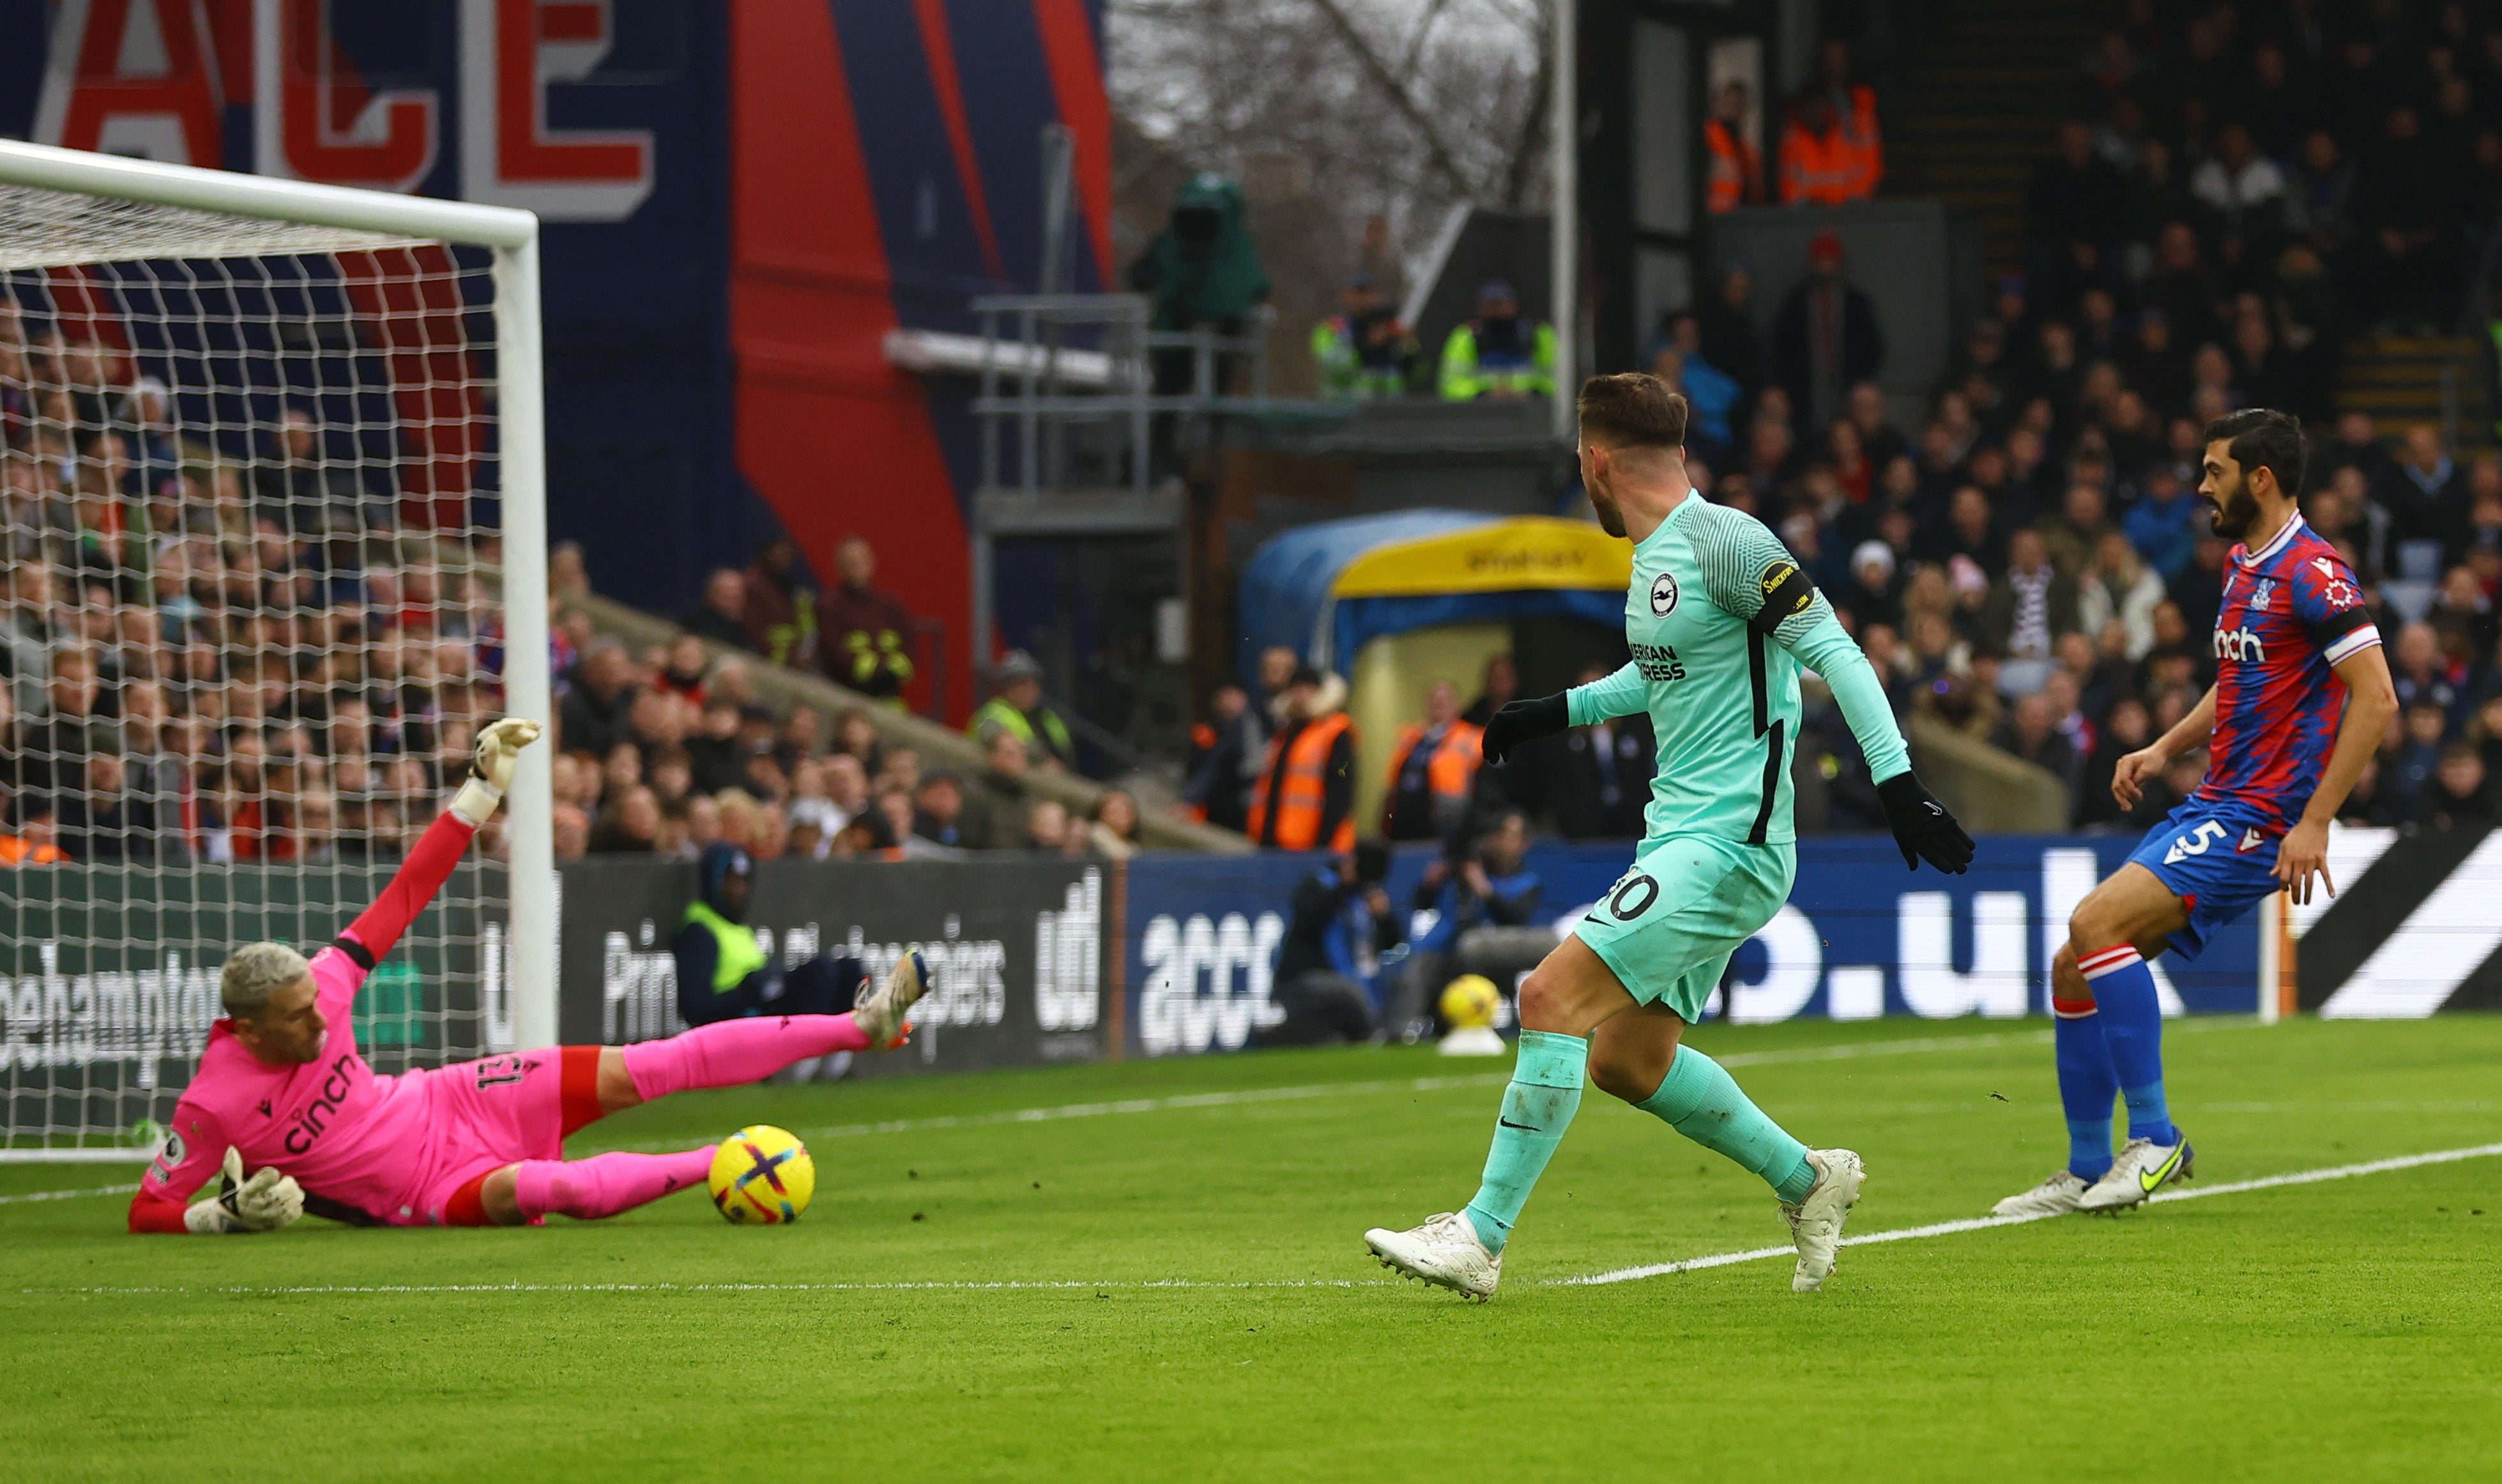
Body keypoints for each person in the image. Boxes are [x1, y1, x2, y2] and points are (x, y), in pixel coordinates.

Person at [1364, 372, 1972, 1300]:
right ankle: (1809, 1180)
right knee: (1626, 1060)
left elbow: (1836, 652)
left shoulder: (1727, 542)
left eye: (1579, 460)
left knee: (1548, 995)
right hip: (1681, 839)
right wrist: (1549, 713)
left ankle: (1479, 1238)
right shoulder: (1656, 558)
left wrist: (1895, 784)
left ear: (1596, 460)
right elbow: (1661, 675)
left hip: (1730, 842)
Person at [126, 718, 936, 1234]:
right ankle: (726, 1160)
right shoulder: (213, 1099)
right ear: (250, 1026)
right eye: (299, 1019)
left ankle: (859, 1025)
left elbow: (407, 891)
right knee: (550, 1189)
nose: (321, 1021)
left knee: (652, 1061)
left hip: (451, 1094)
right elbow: (148, 1208)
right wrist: (216, 1217)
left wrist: (480, 792)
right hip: (429, 1188)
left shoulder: (326, 982)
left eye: (317, 1005)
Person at [1992, 410, 2396, 1220]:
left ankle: (2155, 1136)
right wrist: (2162, 747)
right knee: (2072, 962)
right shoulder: (2241, 565)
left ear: (2260, 478)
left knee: (2094, 922)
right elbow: (2238, 682)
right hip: (2213, 796)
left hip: (2261, 813)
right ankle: (2082, 1169)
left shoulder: (2315, 573)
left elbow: (2376, 695)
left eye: (2213, 470)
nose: (2199, 484)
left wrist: (2314, 819)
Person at [671, 841, 864, 1035]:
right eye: (731, 882)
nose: (739, 891)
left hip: (760, 1014)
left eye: (744, 882)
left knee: (849, 969)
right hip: (737, 1026)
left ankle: (837, 1050)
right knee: (820, 971)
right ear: (712, 882)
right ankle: (807, 1052)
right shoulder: (699, 931)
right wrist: (748, 992)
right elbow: (695, 1009)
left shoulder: (735, 926)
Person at [1261, 840, 1400, 1048]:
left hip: (1355, 983)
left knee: (1387, 985)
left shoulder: (1366, 897)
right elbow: (1308, 918)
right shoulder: (1320, 882)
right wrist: (1344, 886)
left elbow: (1392, 944)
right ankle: (1374, 1034)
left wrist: (1384, 917)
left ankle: (1384, 1030)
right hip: (1304, 978)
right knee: (1349, 992)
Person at [1773, 231, 1884, 437]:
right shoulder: (1796, 304)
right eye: (1821, 260)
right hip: (1805, 394)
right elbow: (1781, 349)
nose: (1825, 266)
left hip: (1847, 389)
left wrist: (1860, 381)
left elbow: (1873, 347)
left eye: (1830, 260)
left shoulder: (1856, 304)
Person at [1246, 666, 1357, 854]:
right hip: (1277, 841)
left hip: (1315, 844)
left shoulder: (1336, 732)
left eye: (1308, 689)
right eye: (1296, 689)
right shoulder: (1285, 732)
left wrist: (1324, 841)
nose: (1301, 695)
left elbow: (1341, 788)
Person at [1380, 681, 1481, 842]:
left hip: (1448, 822)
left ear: (1456, 706)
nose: (1438, 705)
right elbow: (1394, 783)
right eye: (1434, 701)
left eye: (1444, 701)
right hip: (1406, 821)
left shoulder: (1472, 738)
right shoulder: (1411, 736)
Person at [1438, 281, 1555, 402]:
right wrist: (1485, 395)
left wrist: (1533, 394)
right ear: (1480, 308)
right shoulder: (1466, 337)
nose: (1497, 311)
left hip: (1534, 412)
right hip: (1481, 414)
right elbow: (1451, 386)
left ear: (1515, 306)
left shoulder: (1538, 334)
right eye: (1491, 305)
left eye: (1502, 304)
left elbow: (1560, 381)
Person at [1309, 273, 1417, 400]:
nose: (1364, 299)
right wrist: (1366, 345)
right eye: (1359, 293)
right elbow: (1333, 368)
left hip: (1387, 410)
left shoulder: (1390, 327)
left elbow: (1416, 377)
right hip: (1343, 408)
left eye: (1369, 293)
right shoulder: (1332, 329)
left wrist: (1409, 349)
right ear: (1347, 296)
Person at [968, 649, 1076, 772]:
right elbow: (996, 740)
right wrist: (1039, 760)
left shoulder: (1049, 718)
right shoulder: (994, 712)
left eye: (1033, 684)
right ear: (1007, 687)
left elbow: (1067, 754)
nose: (1029, 690)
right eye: (1022, 683)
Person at [1704, 80, 1762, 212]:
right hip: (1713, 214)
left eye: (1739, 106)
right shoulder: (1708, 138)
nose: (1734, 110)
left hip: (1738, 214)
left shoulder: (1746, 150)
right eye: (1729, 103)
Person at [680, 568, 751, 651]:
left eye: (735, 597)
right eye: (725, 596)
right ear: (711, 594)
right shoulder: (694, 621)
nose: (730, 603)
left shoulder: (743, 631)